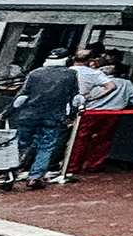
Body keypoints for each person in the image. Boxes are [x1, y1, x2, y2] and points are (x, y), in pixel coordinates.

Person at [4, 49, 83, 191]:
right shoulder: (70, 75)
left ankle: (10, 175)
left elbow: (21, 97)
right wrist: (71, 115)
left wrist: (5, 114)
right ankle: (35, 176)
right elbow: (75, 98)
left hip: (28, 115)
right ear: (66, 60)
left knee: (20, 145)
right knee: (46, 146)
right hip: (53, 116)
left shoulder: (35, 73)